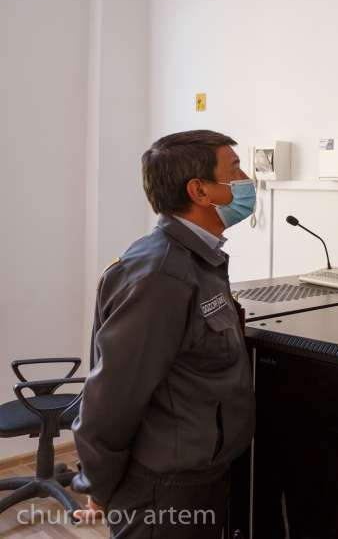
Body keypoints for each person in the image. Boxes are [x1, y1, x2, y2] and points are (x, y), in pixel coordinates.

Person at [72, 130, 256, 538]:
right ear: (200, 191)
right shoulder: (161, 274)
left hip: (198, 471)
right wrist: (97, 485)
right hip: (164, 487)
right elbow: (113, 395)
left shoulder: (197, 259)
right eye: (235, 170)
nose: (246, 181)